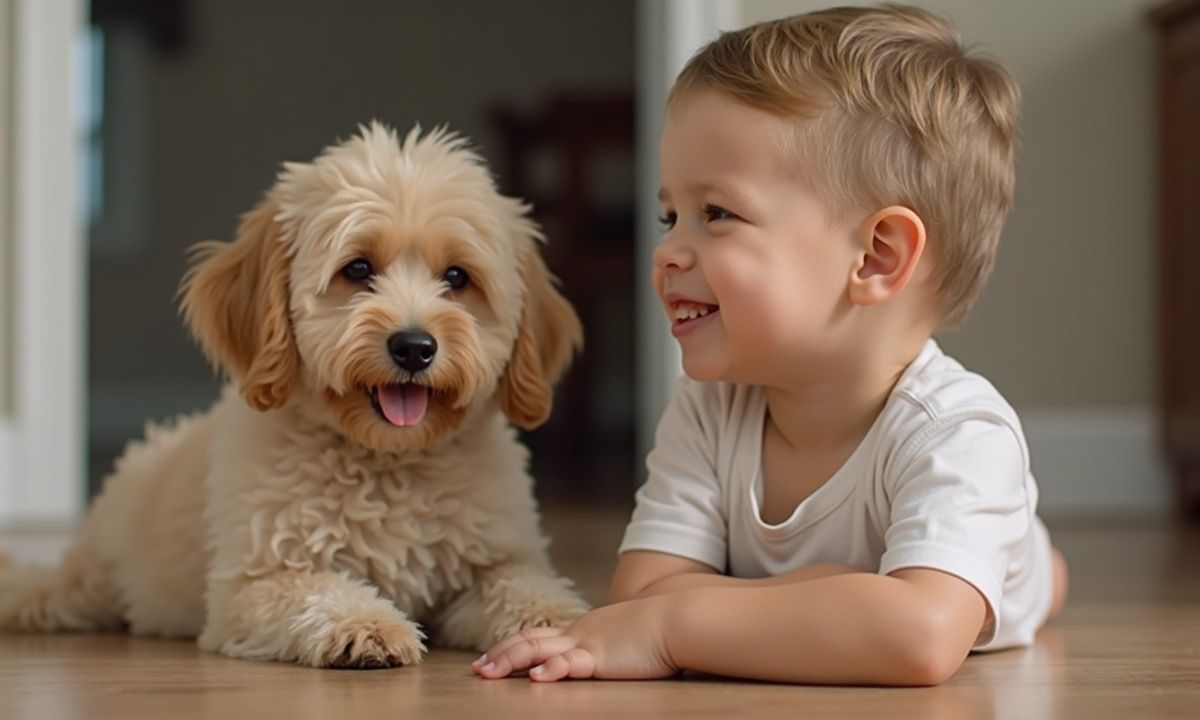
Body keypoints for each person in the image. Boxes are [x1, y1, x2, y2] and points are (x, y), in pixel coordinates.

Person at [474, 3, 1068, 685]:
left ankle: (1035, 572)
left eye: (716, 214)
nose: (667, 251)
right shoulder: (709, 407)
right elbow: (639, 590)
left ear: (875, 257)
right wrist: (834, 595)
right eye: (672, 215)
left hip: (995, 562)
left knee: (1030, 581)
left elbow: (918, 638)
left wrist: (673, 629)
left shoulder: (961, 433)